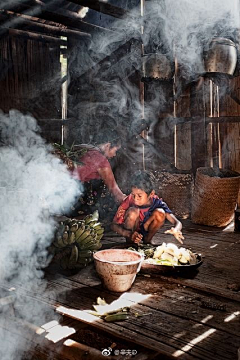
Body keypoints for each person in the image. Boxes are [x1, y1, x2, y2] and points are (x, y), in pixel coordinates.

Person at [111, 170, 184, 244]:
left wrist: (176, 230)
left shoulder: (157, 202)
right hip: (130, 233)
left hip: (146, 231)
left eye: (139, 195)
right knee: (133, 211)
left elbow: (177, 222)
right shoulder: (129, 200)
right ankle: (130, 244)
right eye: (133, 194)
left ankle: (147, 241)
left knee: (160, 212)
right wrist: (128, 234)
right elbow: (114, 225)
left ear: (151, 194)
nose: (136, 198)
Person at [69, 129, 126, 218]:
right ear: (108, 145)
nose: (114, 154)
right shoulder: (100, 160)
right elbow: (113, 188)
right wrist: (128, 201)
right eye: (115, 151)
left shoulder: (84, 148)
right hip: (71, 199)